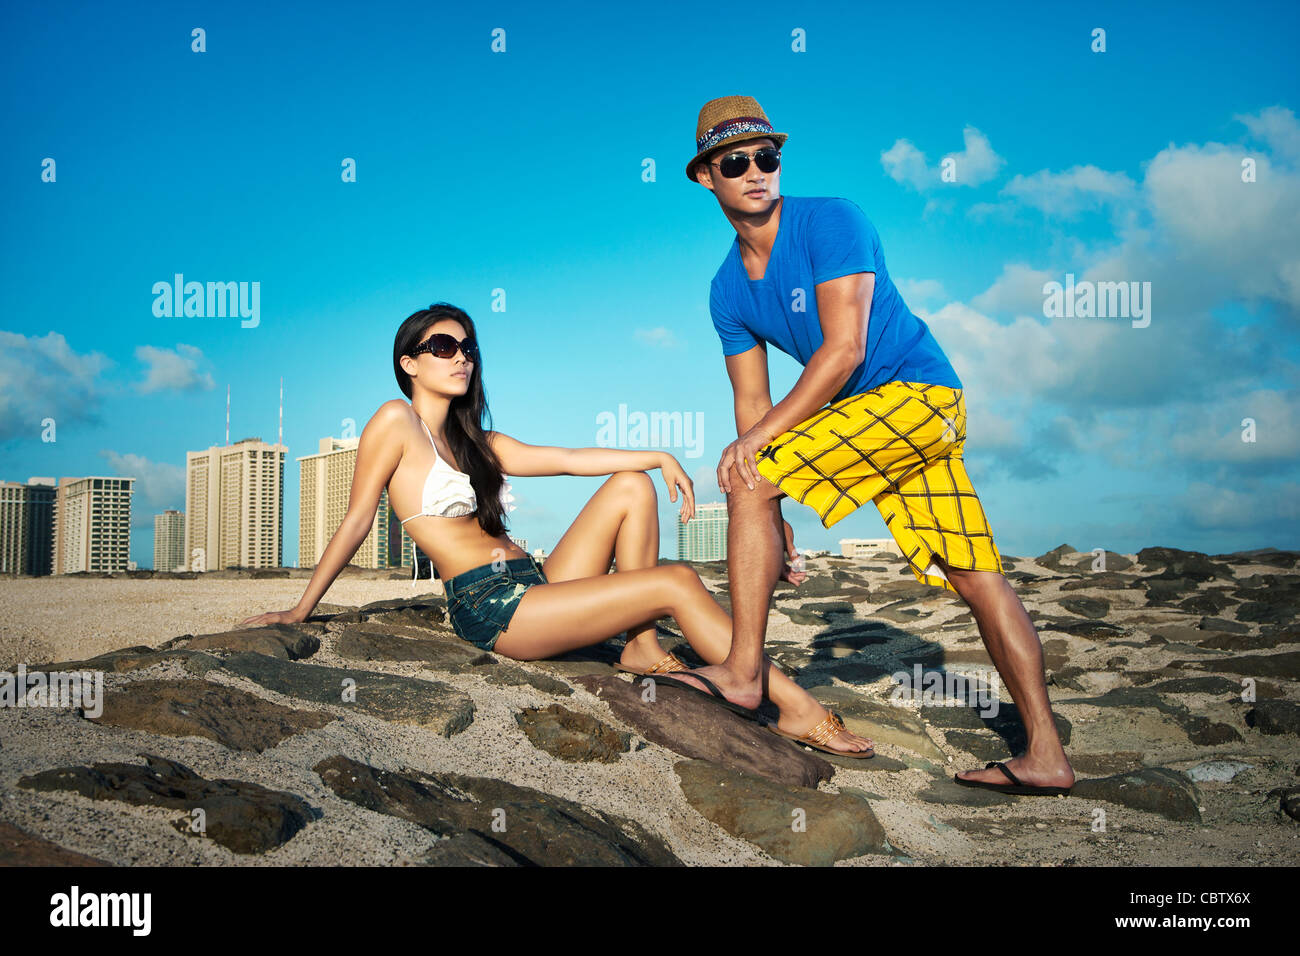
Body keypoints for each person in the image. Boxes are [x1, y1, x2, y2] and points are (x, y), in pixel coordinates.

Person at [239, 302, 873, 757]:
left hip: (534, 583)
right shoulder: (393, 422)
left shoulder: (477, 439)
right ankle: (797, 708)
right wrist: (300, 609)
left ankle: (642, 644)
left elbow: (568, 460)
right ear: (408, 362)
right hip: (494, 607)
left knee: (631, 487)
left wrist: (656, 456)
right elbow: (355, 520)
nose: (459, 357)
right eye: (441, 347)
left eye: (467, 347)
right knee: (678, 579)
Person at [671, 95, 1074, 794]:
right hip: (869, 424)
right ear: (706, 176)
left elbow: (844, 351)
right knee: (974, 575)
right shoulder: (726, 289)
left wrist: (761, 471)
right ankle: (1047, 757)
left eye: (768, 157)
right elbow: (752, 406)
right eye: (736, 162)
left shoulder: (832, 219)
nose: (757, 172)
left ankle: (740, 674)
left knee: (752, 474)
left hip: (918, 398)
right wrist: (764, 506)